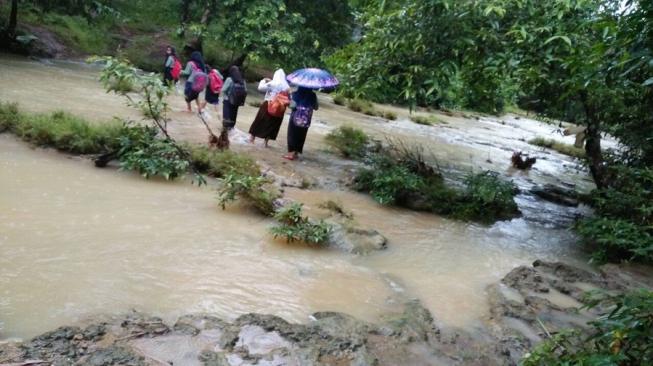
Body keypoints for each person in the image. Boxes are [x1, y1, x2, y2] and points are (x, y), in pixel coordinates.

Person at [248, 69, 290, 147]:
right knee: (273, 125)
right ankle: (266, 143)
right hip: (280, 108)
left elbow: (260, 88)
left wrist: (263, 80)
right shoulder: (286, 86)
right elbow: (288, 98)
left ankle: (252, 139)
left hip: (268, 104)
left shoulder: (273, 83)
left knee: (259, 121)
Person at [284, 87, 318, 161]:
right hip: (306, 119)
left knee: (292, 134)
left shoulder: (295, 93)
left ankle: (291, 154)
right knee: (301, 135)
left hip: (295, 117)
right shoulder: (313, 95)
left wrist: (290, 97)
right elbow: (316, 107)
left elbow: (292, 106)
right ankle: (296, 153)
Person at [221, 65, 246, 129]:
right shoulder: (242, 80)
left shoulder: (229, 79)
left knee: (227, 115)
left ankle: (225, 129)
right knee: (234, 114)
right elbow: (245, 90)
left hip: (228, 100)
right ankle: (231, 127)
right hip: (237, 101)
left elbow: (223, 90)